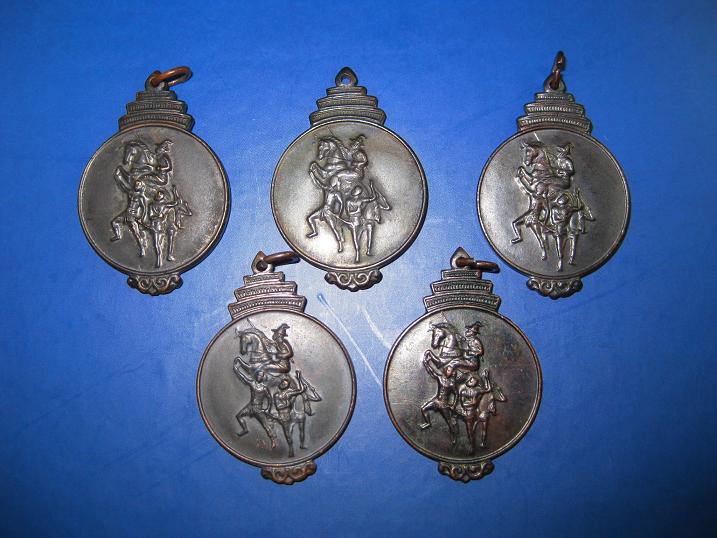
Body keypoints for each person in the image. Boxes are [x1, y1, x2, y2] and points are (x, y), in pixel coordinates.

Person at [233, 364, 277, 448]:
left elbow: (270, 399)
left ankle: (273, 440)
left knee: (265, 425)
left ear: (263, 377)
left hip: (258, 409)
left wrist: (268, 409)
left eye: (261, 376)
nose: (259, 377)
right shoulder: (252, 383)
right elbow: (243, 377)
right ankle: (245, 429)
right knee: (238, 416)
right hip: (250, 406)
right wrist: (236, 370)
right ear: (257, 376)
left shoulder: (264, 388)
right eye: (259, 375)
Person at [272, 371, 307, 457]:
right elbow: (278, 407)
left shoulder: (289, 393)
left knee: (298, 428)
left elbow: (301, 390)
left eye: (285, 384)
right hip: (282, 416)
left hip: (289, 414)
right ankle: (291, 448)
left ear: (287, 386)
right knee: (287, 434)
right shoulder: (276, 395)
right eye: (282, 383)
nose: (283, 384)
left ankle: (301, 444)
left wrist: (299, 378)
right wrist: (287, 404)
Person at [148, 189, 178, 268]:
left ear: (163, 196)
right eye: (157, 194)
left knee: (162, 242)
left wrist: (174, 192)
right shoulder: (151, 205)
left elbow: (175, 203)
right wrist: (158, 217)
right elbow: (150, 216)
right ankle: (159, 258)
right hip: (155, 226)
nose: (158, 195)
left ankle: (167, 256)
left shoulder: (165, 205)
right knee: (156, 244)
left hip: (163, 226)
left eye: (160, 194)